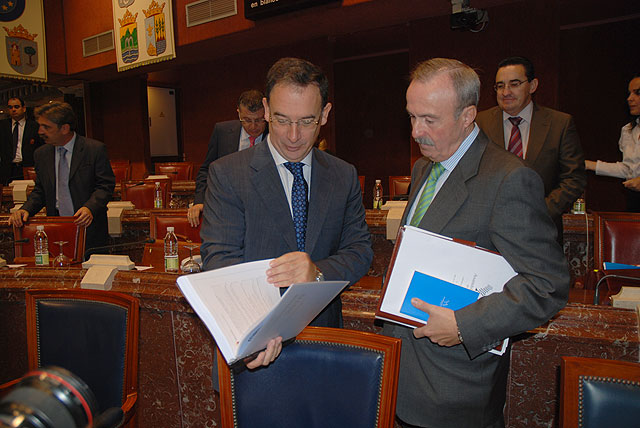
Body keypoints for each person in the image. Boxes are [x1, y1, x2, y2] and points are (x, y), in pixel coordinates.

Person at [383, 58, 569, 428]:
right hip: (404, 373)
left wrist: (464, 325)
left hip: (454, 387)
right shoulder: (425, 168)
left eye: (430, 120)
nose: (417, 131)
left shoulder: (509, 180)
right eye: (412, 117)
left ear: (468, 115)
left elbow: (547, 285)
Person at [200, 57, 373, 368]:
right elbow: (220, 262)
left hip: (325, 344)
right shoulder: (228, 174)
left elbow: (359, 251)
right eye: (281, 120)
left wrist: (316, 273)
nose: (294, 136)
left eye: (307, 121)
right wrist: (254, 331)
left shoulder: (342, 174)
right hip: (253, 347)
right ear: (266, 110)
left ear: (325, 114)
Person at [476, 56, 586, 233]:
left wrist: (540, 212)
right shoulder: (480, 122)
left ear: (533, 86)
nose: (506, 92)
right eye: (500, 86)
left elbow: (574, 178)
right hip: (489, 230)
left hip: (541, 229)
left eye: (514, 84)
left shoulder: (559, 123)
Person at [8, 101, 116, 258]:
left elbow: (105, 186)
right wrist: (25, 209)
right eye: (40, 126)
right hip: (56, 226)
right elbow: (41, 191)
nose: (40, 131)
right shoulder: (41, 154)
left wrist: (89, 208)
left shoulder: (93, 149)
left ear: (64, 128)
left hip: (89, 227)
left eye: (46, 127)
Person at [188, 90, 268, 226]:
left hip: (263, 211)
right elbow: (207, 169)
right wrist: (199, 201)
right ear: (238, 113)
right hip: (228, 210)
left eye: (259, 120)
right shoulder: (222, 132)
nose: (253, 126)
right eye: (247, 120)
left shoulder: (276, 135)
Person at [585, 74, 640, 211]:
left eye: (637, 93)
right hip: (635, 200)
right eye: (629, 93)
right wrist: (588, 164)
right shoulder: (628, 130)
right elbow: (628, 169)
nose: (630, 98)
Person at [0, 97, 44, 184]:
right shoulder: (2, 126)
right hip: (7, 169)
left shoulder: (34, 126)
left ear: (23, 109)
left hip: (28, 168)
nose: (13, 110)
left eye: (16, 107)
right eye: (10, 107)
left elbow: (42, 147)